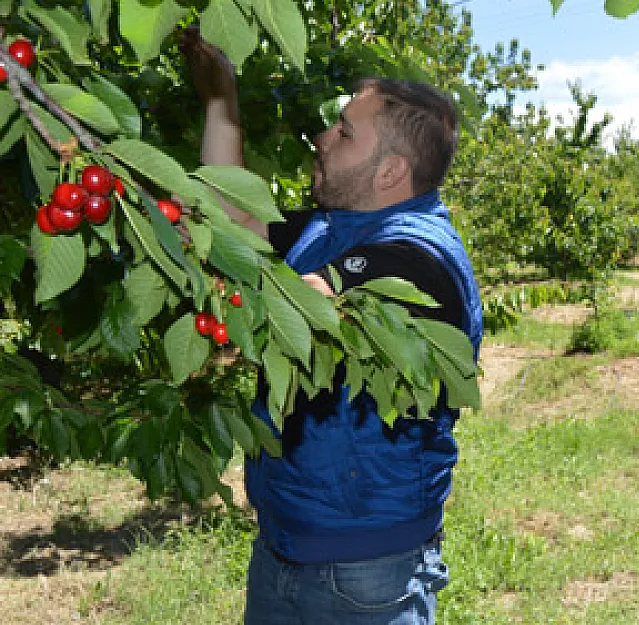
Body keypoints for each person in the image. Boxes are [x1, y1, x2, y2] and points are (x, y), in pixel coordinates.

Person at [181, 29, 482, 625]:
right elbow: (236, 216)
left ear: (391, 171)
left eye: (344, 131)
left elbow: (309, 302)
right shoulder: (330, 228)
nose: (321, 138)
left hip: (369, 572)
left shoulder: (420, 257)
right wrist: (221, 98)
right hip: (282, 543)